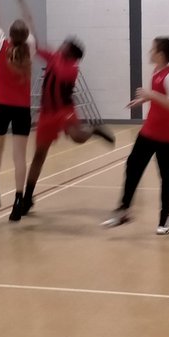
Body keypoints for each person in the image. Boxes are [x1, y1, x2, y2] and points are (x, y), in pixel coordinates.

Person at [15, 19, 114, 221]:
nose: (61, 45)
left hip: (64, 110)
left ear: (70, 52)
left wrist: (44, 51)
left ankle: (93, 130)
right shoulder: (56, 56)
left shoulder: (70, 68)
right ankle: (27, 197)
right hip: (46, 113)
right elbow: (37, 45)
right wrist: (23, 6)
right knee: (39, 156)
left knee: (77, 137)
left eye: (65, 44)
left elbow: (56, 68)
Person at [103, 37, 169, 235]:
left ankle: (166, 216)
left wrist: (151, 95)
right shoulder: (156, 72)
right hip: (149, 131)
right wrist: (142, 100)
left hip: (167, 136)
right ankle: (124, 210)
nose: (149, 52)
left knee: (165, 177)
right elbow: (158, 99)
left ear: (161, 54)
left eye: (152, 49)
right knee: (133, 166)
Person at [0, 0, 34, 215]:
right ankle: (18, 200)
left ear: (10, 34)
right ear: (25, 37)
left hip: (1, 105)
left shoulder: (0, 44)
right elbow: (29, 20)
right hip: (21, 109)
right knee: (19, 157)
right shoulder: (30, 51)